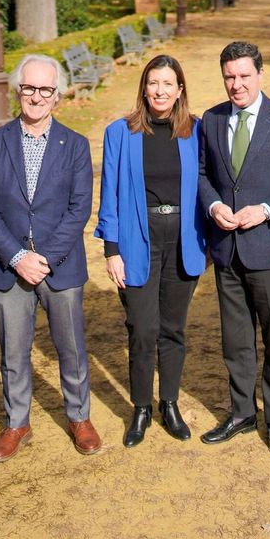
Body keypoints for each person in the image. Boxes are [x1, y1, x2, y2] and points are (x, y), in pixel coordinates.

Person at [0, 54, 99, 461]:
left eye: (45, 89)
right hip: (8, 267)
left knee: (72, 348)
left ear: (57, 96)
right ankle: (16, 423)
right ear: (17, 91)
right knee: (13, 351)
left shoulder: (75, 146)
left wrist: (41, 257)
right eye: (29, 88)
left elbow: (79, 209)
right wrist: (16, 256)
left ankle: (79, 417)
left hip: (59, 265)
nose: (36, 96)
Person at [95, 54, 208, 447]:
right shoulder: (119, 133)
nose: (160, 91)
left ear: (180, 90)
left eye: (168, 84)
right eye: (153, 83)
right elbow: (108, 192)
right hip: (135, 239)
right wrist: (112, 249)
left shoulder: (196, 131)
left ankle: (170, 403)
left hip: (184, 238)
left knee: (173, 329)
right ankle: (141, 407)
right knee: (142, 330)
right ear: (144, 87)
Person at [197, 41, 270, 453]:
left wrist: (267, 209)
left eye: (244, 76)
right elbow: (204, 174)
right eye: (229, 77)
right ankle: (241, 412)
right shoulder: (211, 119)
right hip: (227, 248)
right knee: (235, 338)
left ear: (260, 74)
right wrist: (214, 203)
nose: (236, 84)